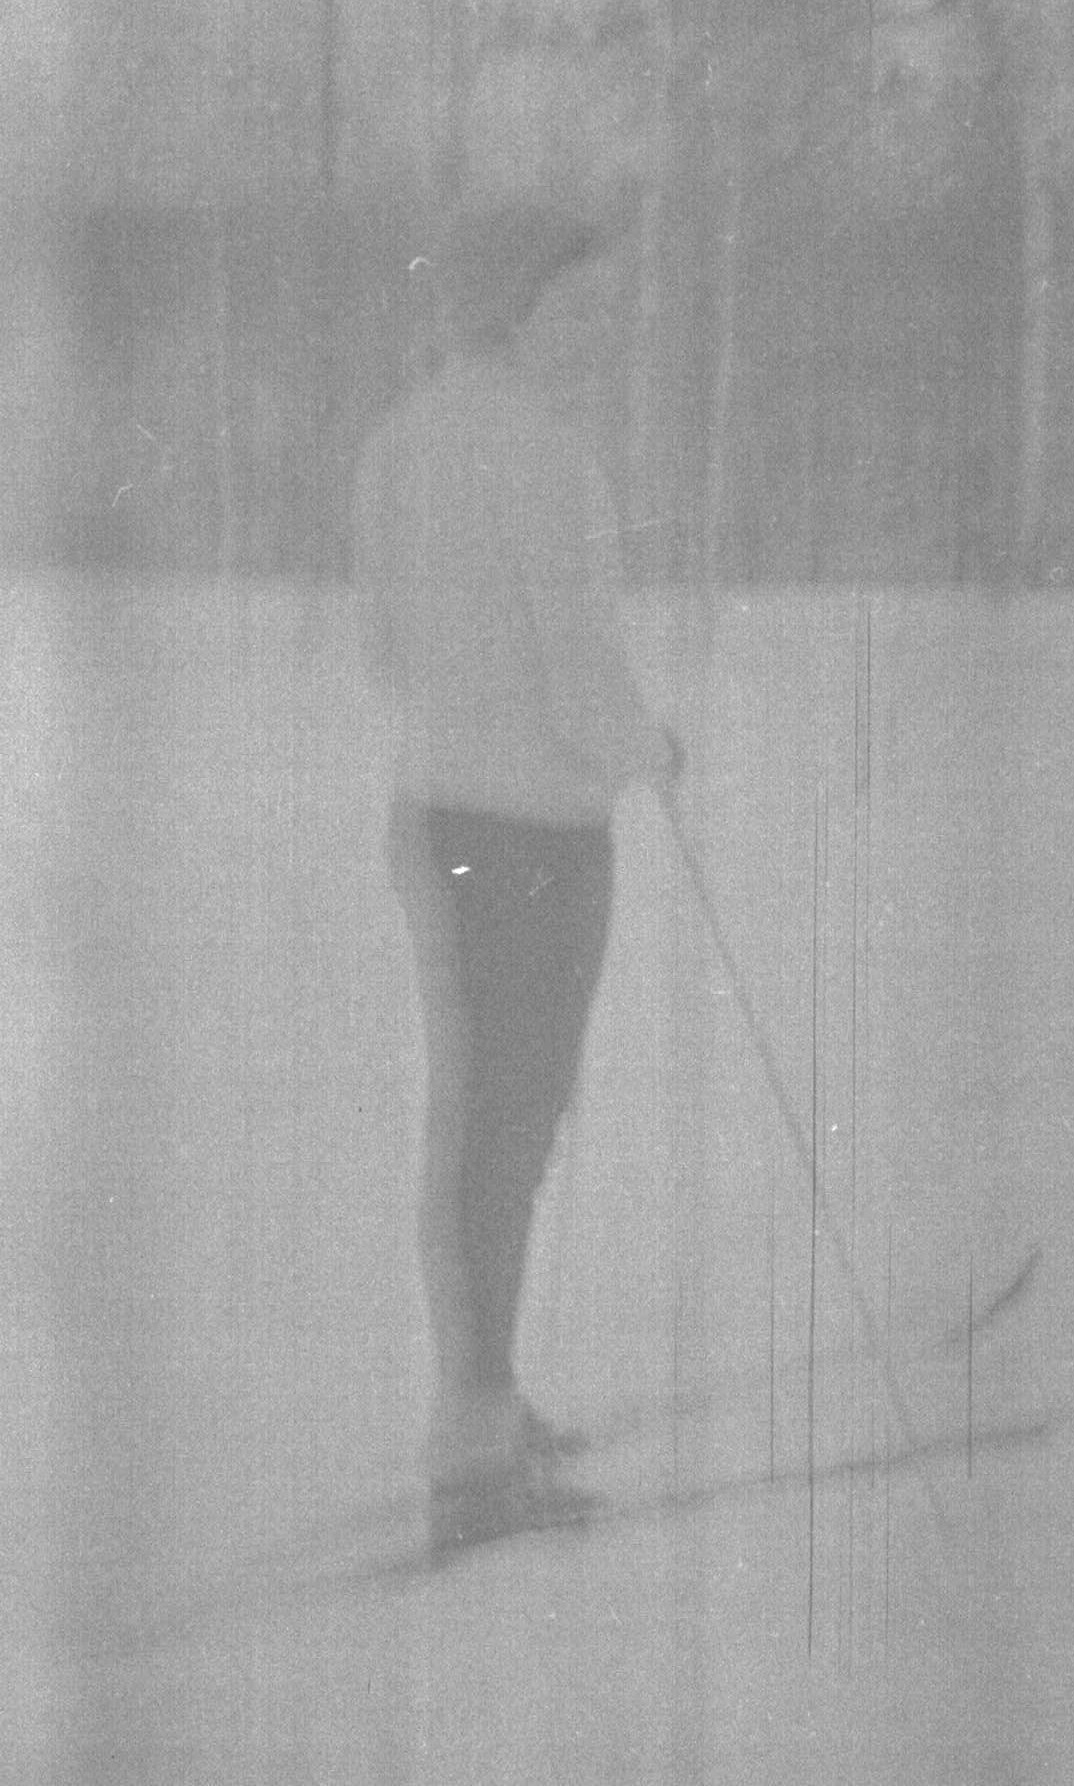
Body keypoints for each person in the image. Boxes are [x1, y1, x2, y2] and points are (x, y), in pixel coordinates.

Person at [351, 196, 681, 1544]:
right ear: (517, 305)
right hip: (537, 829)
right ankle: (477, 1442)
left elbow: (385, 651)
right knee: (512, 1124)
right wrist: (647, 746)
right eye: (579, 304)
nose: (600, 330)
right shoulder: (546, 454)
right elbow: (578, 666)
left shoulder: (397, 439)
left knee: (480, 1117)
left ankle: (480, 1397)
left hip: (439, 815)